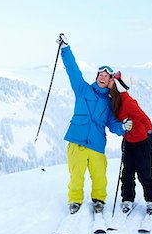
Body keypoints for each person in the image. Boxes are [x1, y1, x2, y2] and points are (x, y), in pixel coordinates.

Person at [56, 33, 133, 215]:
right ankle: (75, 200)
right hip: (77, 143)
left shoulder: (108, 102)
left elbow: (112, 123)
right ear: (97, 76)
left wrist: (122, 127)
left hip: (97, 145)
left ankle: (98, 200)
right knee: (76, 176)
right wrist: (65, 49)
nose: (103, 77)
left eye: (107, 76)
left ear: (109, 82)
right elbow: (73, 70)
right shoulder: (82, 89)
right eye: (101, 74)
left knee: (100, 177)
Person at [108, 71, 152, 215]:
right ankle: (127, 199)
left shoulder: (128, 102)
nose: (110, 82)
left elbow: (144, 117)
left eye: (112, 81)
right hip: (128, 140)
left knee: (145, 173)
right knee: (127, 172)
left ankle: (151, 200)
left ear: (118, 86)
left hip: (142, 141)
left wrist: (150, 132)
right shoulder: (115, 99)